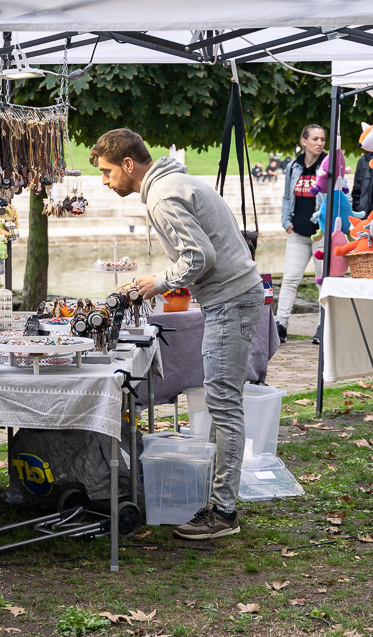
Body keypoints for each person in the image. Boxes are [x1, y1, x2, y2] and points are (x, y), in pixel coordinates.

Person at [91, 128, 262, 540]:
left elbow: (200, 256)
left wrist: (157, 282)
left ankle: (223, 513)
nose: (105, 181)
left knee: (224, 405)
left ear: (128, 164)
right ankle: (219, 501)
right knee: (222, 402)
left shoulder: (163, 195)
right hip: (232, 297)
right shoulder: (173, 182)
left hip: (230, 300)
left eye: (107, 172)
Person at [275, 125, 326, 343]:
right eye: (315, 139)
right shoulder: (293, 166)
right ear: (304, 141)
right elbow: (287, 196)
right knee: (290, 279)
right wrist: (286, 222)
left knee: (323, 282)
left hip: (321, 234)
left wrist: (330, 226)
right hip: (298, 234)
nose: (319, 143)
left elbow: (343, 196)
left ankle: (324, 326)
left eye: (322, 139)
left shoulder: (329, 165)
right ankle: (281, 325)